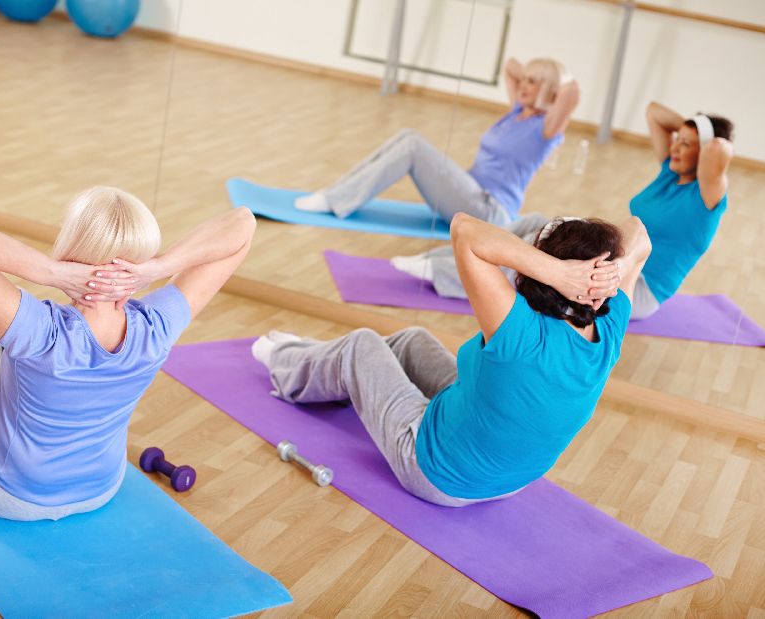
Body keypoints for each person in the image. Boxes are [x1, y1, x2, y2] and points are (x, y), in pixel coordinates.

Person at [0, 186, 255, 520]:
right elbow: (242, 223)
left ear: (71, 251)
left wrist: (50, 273)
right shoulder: (157, 326)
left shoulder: (40, 327)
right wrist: (161, 268)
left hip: (1, 492)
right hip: (100, 490)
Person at [252, 214, 650, 506]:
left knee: (361, 345)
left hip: (439, 472)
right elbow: (639, 235)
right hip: (508, 475)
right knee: (412, 341)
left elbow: (464, 230)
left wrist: (557, 272)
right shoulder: (611, 325)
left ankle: (284, 363)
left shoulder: (520, 331)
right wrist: (613, 270)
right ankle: (327, 367)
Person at [391, 102, 733, 320]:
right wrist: (692, 127)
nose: (674, 145)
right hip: (617, 258)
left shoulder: (706, 198)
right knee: (538, 224)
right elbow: (654, 112)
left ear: (703, 154)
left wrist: (704, 136)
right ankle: (444, 258)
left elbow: (719, 147)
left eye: (686, 143)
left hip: (636, 285)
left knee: (545, 262)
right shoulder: (670, 173)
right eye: (676, 139)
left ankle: (445, 274)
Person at [293, 57, 579, 227]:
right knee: (407, 136)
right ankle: (335, 196)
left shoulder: (546, 131)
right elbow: (510, 66)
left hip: (490, 212)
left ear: (549, 89)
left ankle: (334, 201)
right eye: (525, 80)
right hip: (468, 194)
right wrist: (536, 75)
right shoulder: (516, 112)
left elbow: (572, 93)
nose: (523, 86)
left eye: (533, 82)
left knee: (414, 145)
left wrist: (555, 82)